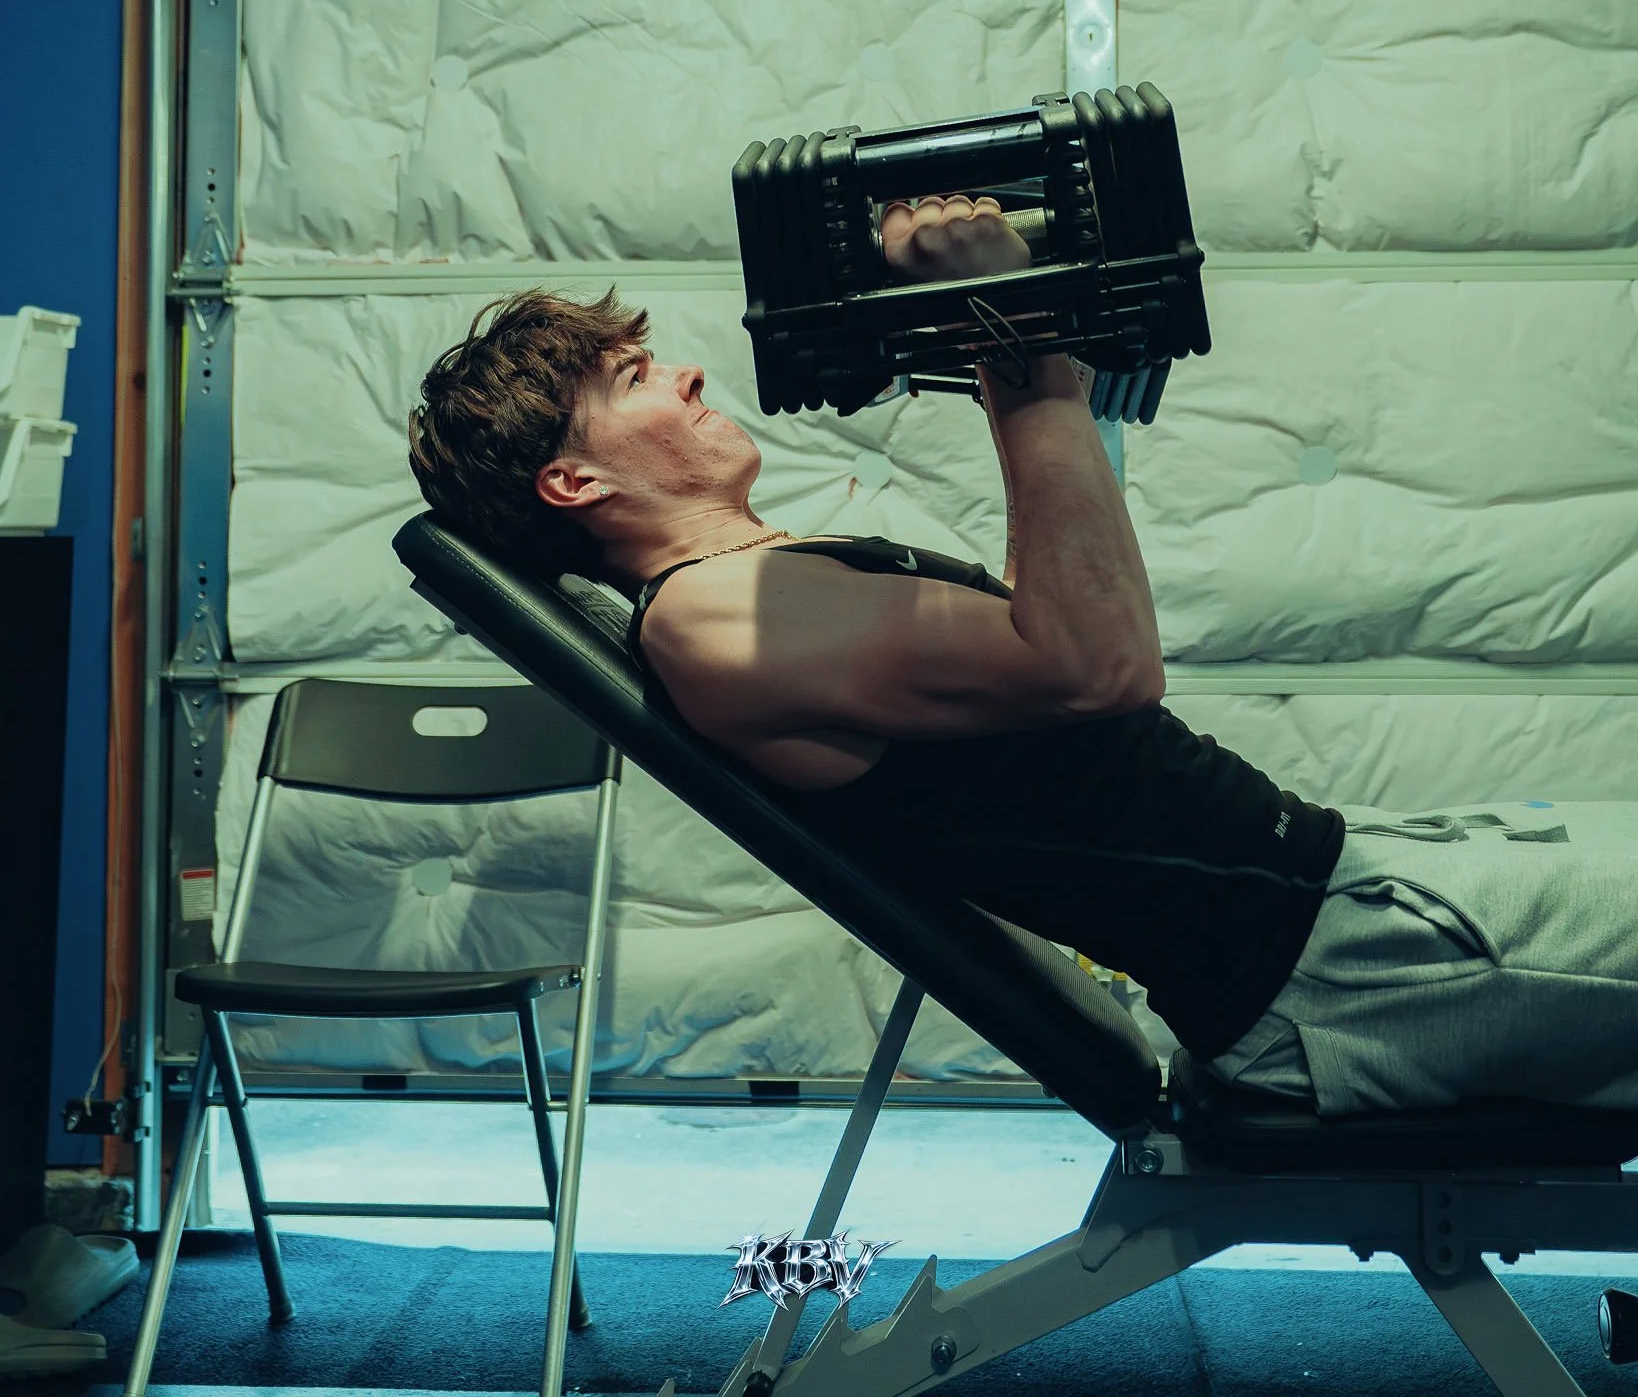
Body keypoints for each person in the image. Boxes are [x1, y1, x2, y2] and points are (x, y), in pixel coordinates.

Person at [408, 195, 1638, 1118]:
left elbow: (1067, 617)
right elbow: (1096, 661)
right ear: (574, 478)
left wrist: (1002, 326)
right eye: (636, 379)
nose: (685, 372)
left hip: (1349, 896)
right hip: (1338, 975)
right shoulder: (717, 620)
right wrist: (1006, 331)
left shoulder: (760, 583)